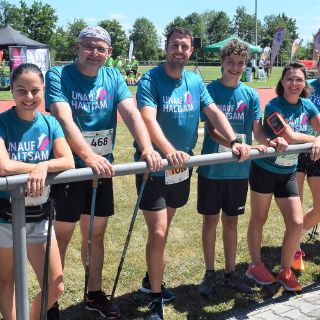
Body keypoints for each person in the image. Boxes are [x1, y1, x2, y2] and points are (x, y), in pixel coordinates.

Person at [45, 26, 162, 319]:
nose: (94, 53)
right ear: (77, 47)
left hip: (101, 169)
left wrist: (146, 147)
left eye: (101, 48)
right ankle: (50, 300)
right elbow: (63, 116)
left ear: (109, 53)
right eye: (88, 47)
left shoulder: (113, 77)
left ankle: (94, 293)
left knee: (96, 236)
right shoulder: (59, 75)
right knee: (61, 236)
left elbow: (131, 113)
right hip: (68, 170)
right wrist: (87, 155)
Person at [135, 27, 250, 320]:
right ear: (166, 47)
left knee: (165, 229)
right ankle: (154, 296)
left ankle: (152, 279)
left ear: (190, 51)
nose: (179, 51)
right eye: (175, 45)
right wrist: (168, 150)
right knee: (158, 231)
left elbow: (214, 113)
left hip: (181, 170)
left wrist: (235, 140)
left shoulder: (195, 81)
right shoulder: (150, 79)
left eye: (185, 47)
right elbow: (148, 120)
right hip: (156, 168)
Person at [197, 39, 287, 297]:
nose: (235, 68)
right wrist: (235, 144)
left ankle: (229, 273)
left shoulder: (249, 94)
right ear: (222, 62)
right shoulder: (210, 91)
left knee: (231, 222)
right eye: (230, 63)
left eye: (240, 63)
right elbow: (213, 132)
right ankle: (209, 274)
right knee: (210, 222)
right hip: (212, 169)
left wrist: (271, 142)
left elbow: (257, 130)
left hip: (238, 171)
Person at [0, 63, 75, 320]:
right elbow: (3, 165)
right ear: (12, 90)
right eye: (21, 90)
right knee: (6, 281)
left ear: (43, 90)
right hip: (5, 217)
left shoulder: (50, 123)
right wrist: (38, 167)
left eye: (34, 90)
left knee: (56, 285)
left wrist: (44, 165)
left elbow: (67, 161)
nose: (29, 97)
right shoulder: (2, 123)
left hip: (40, 215)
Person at [246, 61, 320, 292]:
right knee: (259, 219)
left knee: (296, 223)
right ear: (282, 82)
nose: (294, 84)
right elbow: (288, 135)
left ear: (304, 83)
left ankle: (285, 270)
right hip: (265, 171)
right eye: (289, 79)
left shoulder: (307, 105)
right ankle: (255, 265)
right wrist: (315, 139)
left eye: (299, 79)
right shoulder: (273, 106)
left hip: (288, 172)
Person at [295, 58, 320, 270]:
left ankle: (295, 234)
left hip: (318, 151)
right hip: (297, 151)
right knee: (297, 203)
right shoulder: (307, 86)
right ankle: (294, 247)